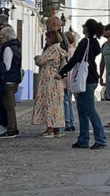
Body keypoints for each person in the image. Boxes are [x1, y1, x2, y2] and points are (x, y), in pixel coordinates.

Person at [56, 19, 106, 149]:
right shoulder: (94, 42)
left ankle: (100, 138)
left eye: (84, 25)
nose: (82, 27)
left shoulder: (85, 41)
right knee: (82, 109)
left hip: (86, 79)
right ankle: (83, 139)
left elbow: (75, 59)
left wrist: (61, 72)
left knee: (89, 109)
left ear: (87, 28)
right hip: (91, 78)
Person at [33, 30, 67, 137]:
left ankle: (50, 129)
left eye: (47, 37)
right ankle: (56, 130)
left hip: (49, 81)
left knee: (49, 103)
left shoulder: (52, 50)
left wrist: (36, 57)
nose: (46, 40)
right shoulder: (59, 49)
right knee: (56, 105)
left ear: (52, 38)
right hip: (56, 80)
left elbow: (40, 61)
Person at [0, 25, 22, 138]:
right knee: (10, 105)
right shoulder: (16, 47)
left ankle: (11, 128)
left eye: (2, 36)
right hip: (14, 78)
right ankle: (13, 127)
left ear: (6, 37)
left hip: (8, 79)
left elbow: (6, 66)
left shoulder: (7, 48)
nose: (1, 38)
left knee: (9, 106)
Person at [62, 31, 76, 132]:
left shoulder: (69, 51)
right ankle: (70, 121)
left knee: (66, 101)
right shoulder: (73, 50)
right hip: (70, 79)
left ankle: (68, 121)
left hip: (67, 79)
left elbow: (69, 67)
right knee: (69, 101)